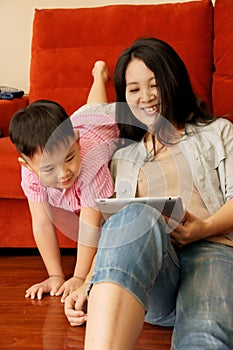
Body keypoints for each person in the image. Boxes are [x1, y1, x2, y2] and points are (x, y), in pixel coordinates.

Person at [65, 37, 233, 350]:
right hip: (152, 273)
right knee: (136, 214)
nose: (146, 97)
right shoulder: (122, 155)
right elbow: (115, 231)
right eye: (134, 89)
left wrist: (204, 229)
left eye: (154, 84)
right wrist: (87, 281)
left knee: (203, 337)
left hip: (213, 249)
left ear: (173, 81)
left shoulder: (218, 132)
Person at [9, 99, 118, 302]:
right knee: (90, 104)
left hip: (101, 121)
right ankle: (99, 75)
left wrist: (79, 277)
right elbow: (42, 224)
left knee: (97, 103)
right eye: (49, 169)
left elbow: (89, 225)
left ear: (77, 142)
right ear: (27, 166)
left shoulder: (90, 165)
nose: (64, 173)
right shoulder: (31, 173)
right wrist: (55, 276)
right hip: (80, 120)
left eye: (69, 158)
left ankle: (98, 76)